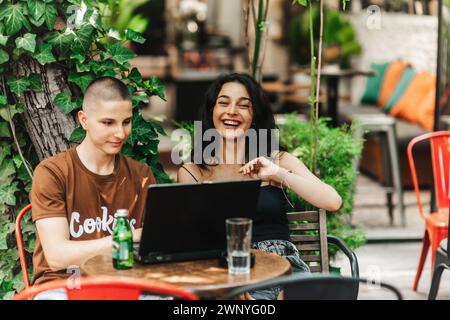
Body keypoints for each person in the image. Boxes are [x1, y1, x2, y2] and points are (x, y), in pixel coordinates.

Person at [177, 73, 342, 300]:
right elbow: (195, 243)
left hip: (286, 270)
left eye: (243, 105)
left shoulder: (277, 160)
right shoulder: (193, 172)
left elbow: (332, 201)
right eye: (223, 103)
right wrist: (230, 283)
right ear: (211, 112)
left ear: (254, 116)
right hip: (232, 272)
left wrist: (278, 174)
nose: (232, 111)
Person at [30, 77, 155, 298]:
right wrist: (126, 237)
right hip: (62, 287)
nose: (120, 133)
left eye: (126, 122)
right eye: (108, 122)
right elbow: (58, 256)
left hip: (123, 286)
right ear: (84, 120)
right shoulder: (52, 172)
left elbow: (155, 248)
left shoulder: (141, 175)